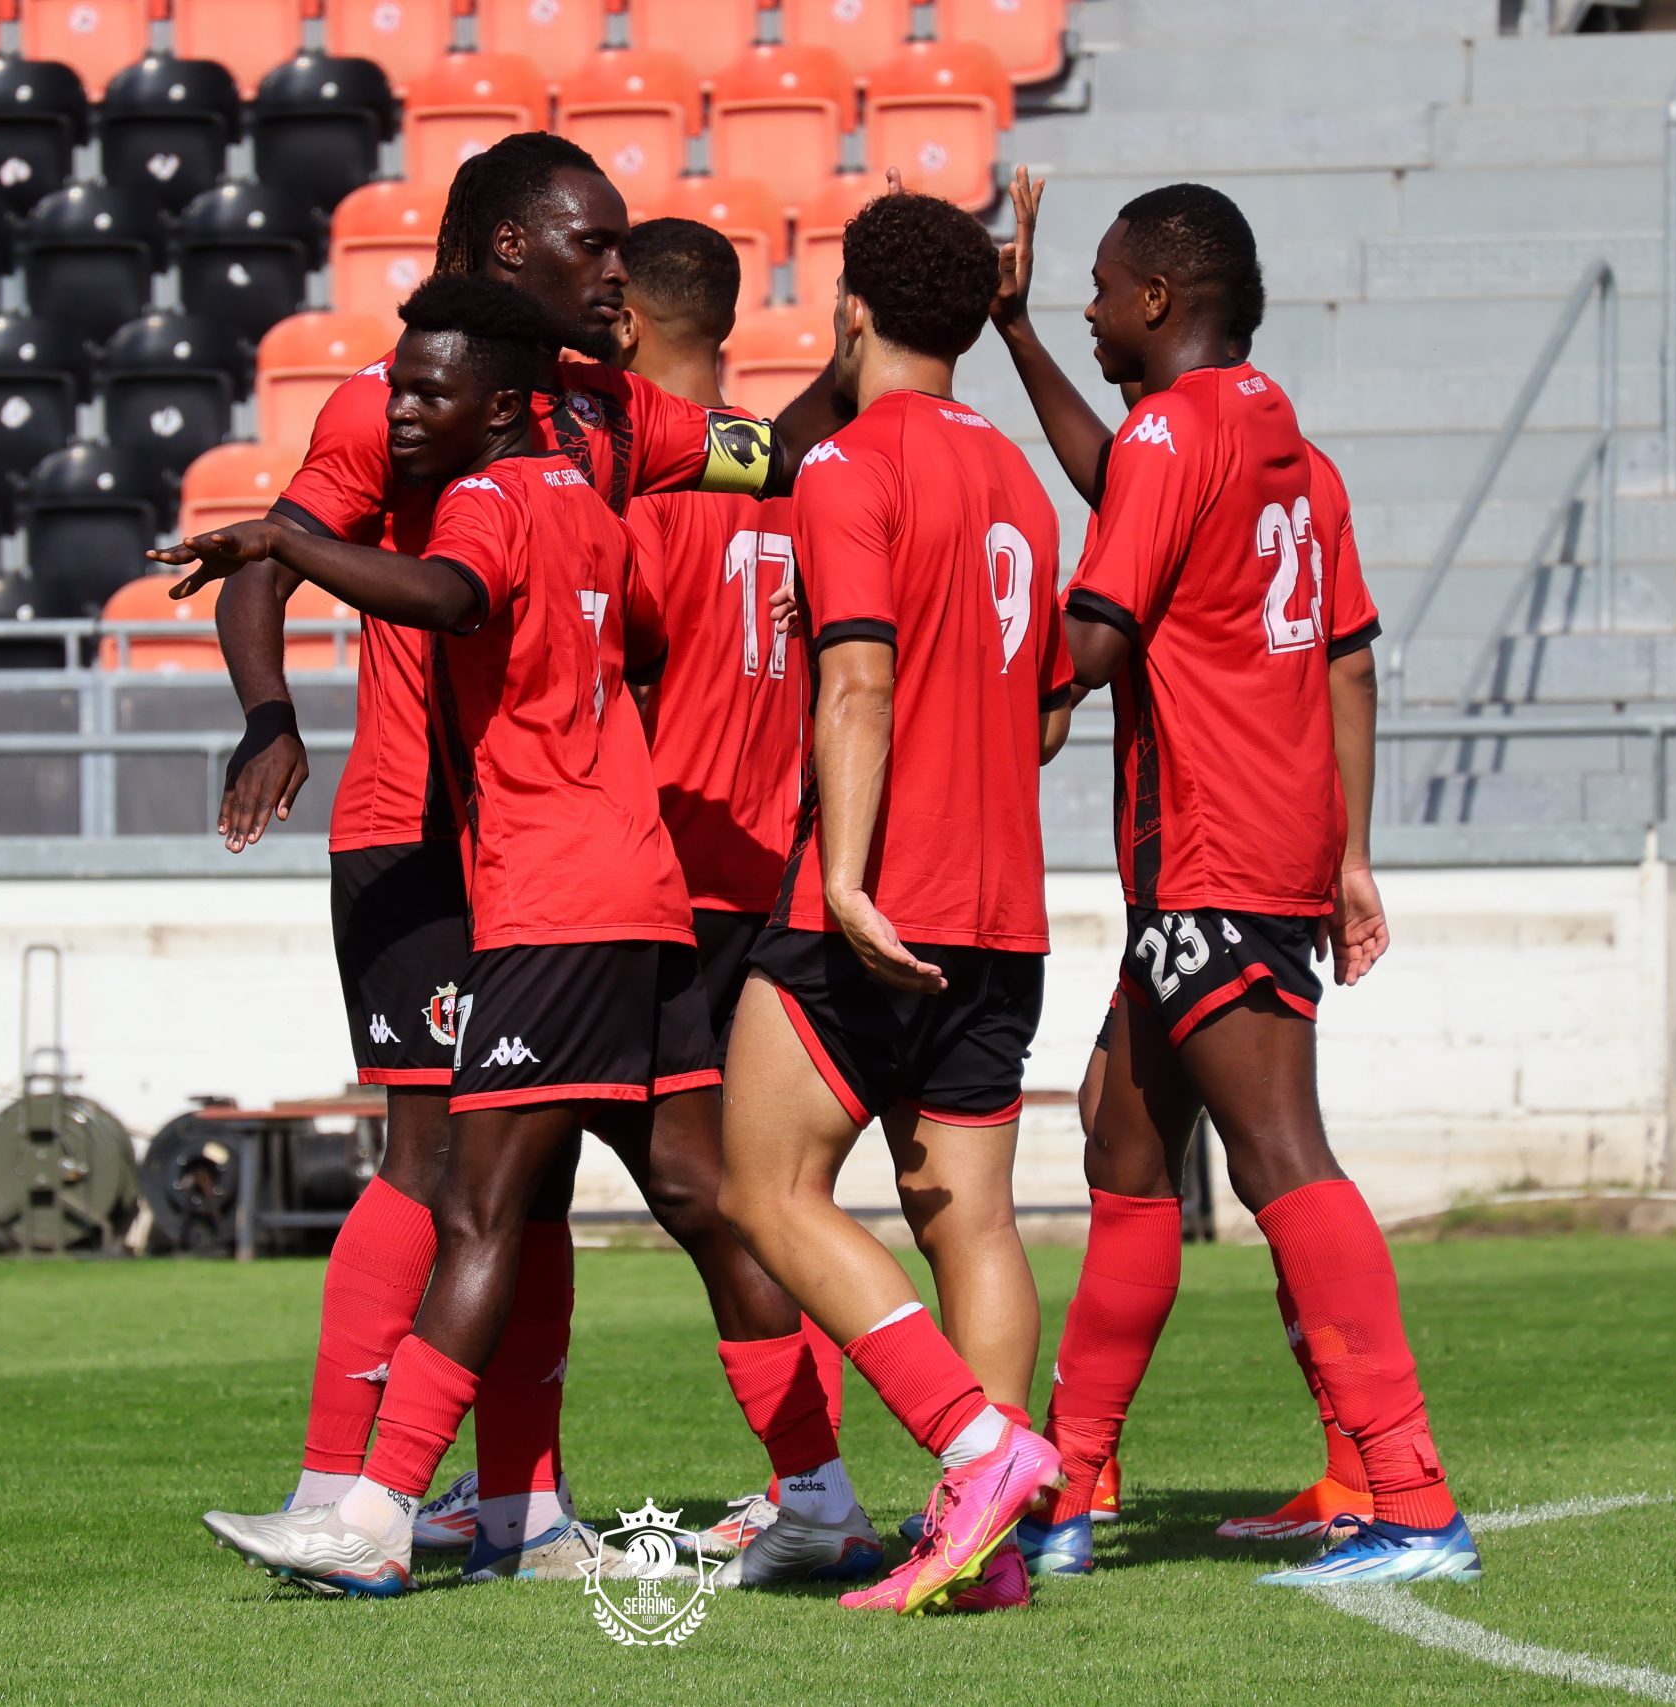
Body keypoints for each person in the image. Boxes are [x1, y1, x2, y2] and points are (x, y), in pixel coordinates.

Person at [186, 132, 832, 1573]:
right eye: (592, 243)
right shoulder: (395, 400)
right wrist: (269, 714)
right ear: (505, 250)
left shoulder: (607, 408)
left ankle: (517, 1510)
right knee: (435, 1160)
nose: (617, 267)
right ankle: (341, 1484)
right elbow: (268, 560)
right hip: (421, 828)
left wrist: (879, 373)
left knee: (525, 1181)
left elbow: (768, 453)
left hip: (549, 851)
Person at [1030, 181, 1477, 1586]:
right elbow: (1348, 664)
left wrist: (937, 647)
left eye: (1102, 288)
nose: (1091, 307)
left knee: (1282, 1153)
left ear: (1159, 298)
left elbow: (1095, 639)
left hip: (1209, 852)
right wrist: (1350, 854)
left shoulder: (1174, 435)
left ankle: (1413, 1498)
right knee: (1123, 1144)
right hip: (1261, 848)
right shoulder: (1291, 451)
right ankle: (1068, 1493)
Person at [713, 188, 1078, 1617]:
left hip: (875, 899)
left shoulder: (846, 464)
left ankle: (976, 1447)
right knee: (970, 1223)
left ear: (850, 309)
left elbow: (857, 683)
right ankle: (986, 1553)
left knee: (764, 1187)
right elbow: (1046, 717)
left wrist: (849, 877)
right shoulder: (1021, 483)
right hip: (1004, 906)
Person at [606, 216, 855, 1573]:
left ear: (626, 324)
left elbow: (617, 656)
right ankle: (807, 1478)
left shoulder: (642, 483)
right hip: (777, 865)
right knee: (756, 1189)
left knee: (690, 1188)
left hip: (661, 871)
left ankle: (810, 1476)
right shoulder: (790, 469)